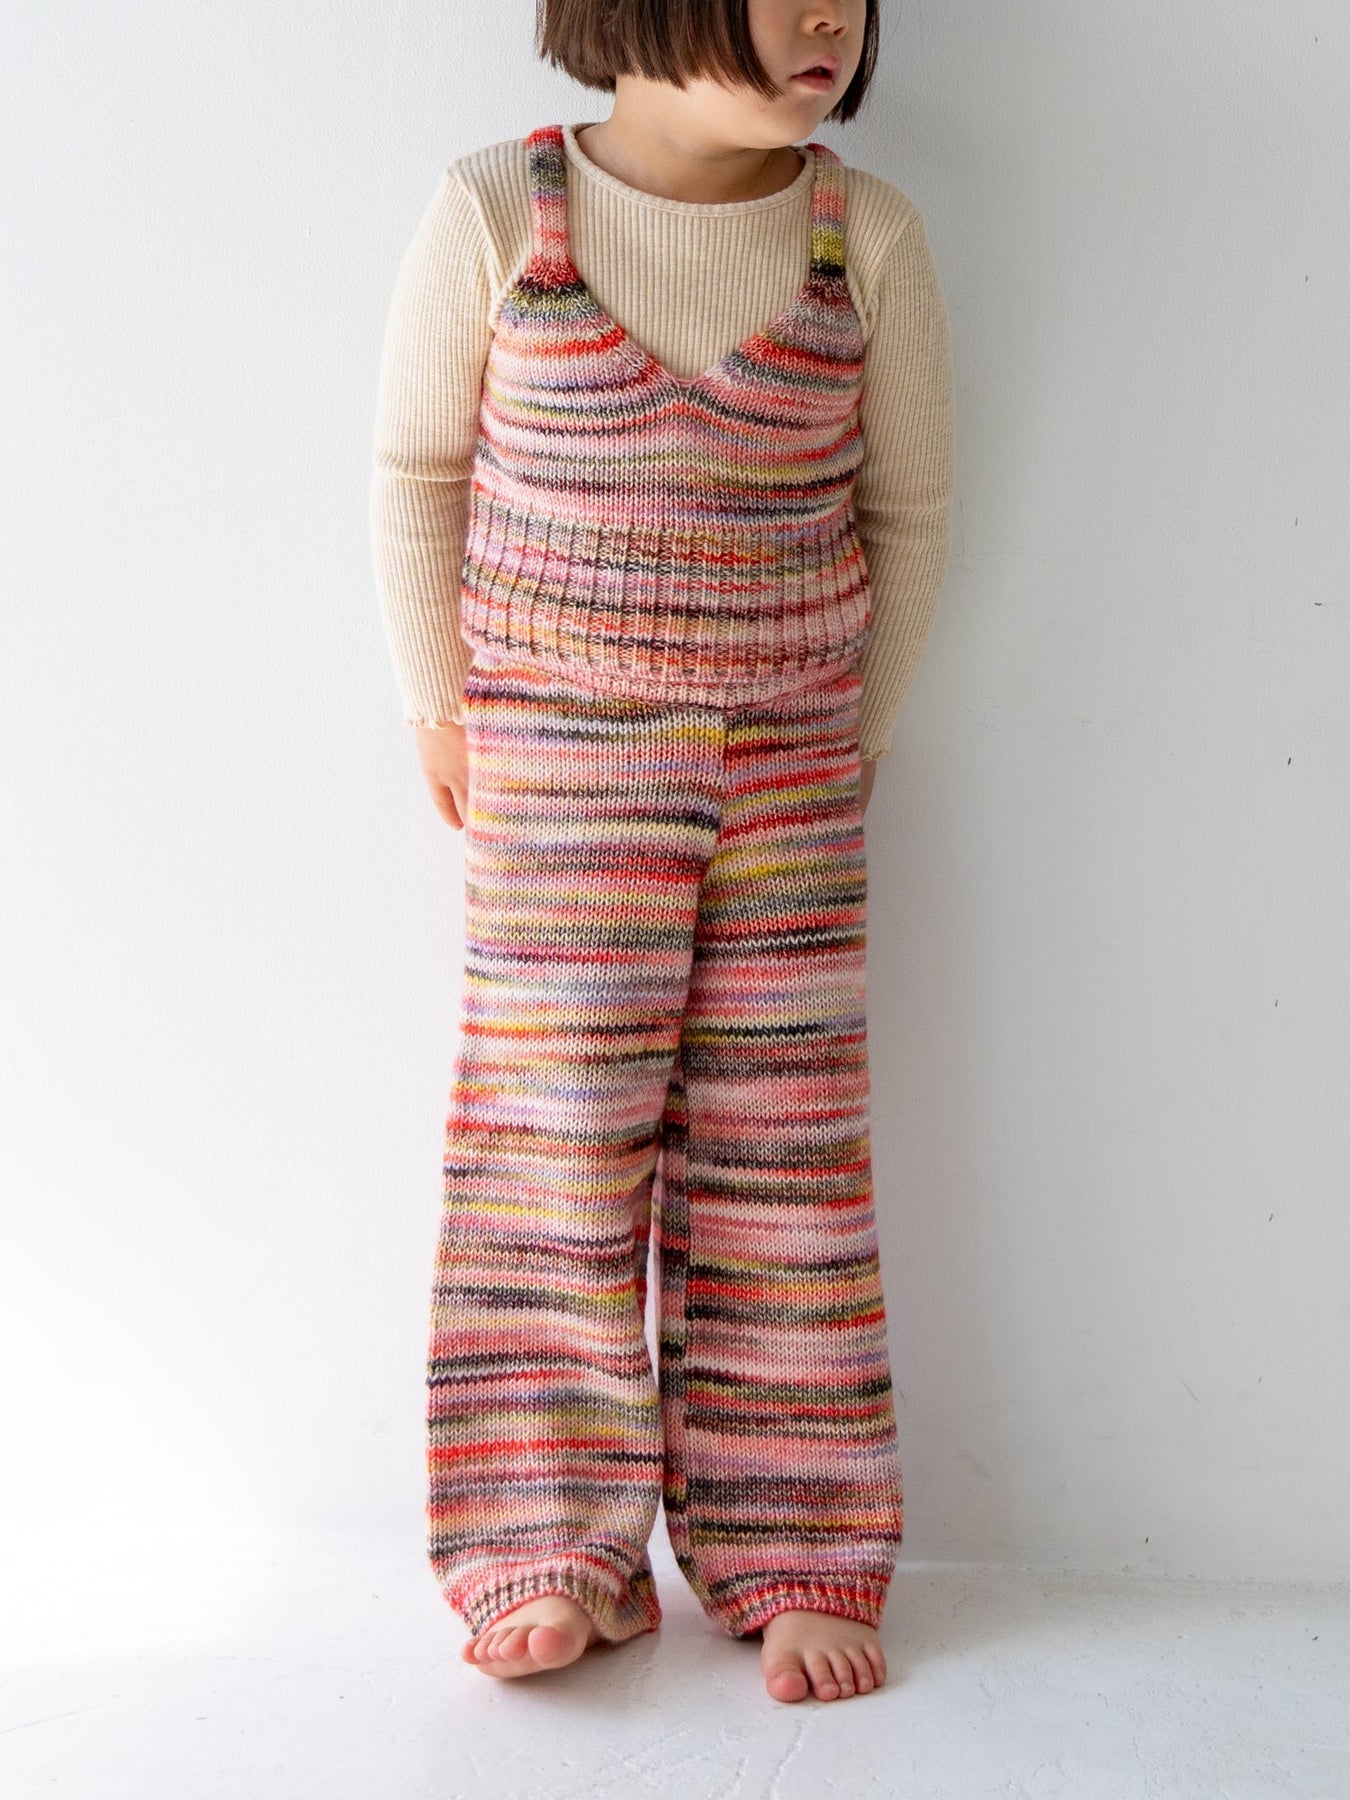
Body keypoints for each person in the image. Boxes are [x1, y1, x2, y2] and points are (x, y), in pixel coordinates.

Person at [369, 0, 954, 1705]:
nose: (829, 14)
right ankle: (546, 1540)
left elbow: (909, 511)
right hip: (558, 764)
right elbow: (416, 469)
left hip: (792, 767)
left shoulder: (864, 235)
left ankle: (793, 1545)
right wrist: (436, 703)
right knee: (552, 1143)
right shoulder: (500, 209)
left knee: (784, 1152)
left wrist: (859, 735)